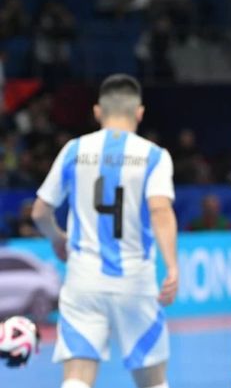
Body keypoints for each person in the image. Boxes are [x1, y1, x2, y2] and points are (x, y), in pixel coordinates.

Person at [31, 74, 178, 388]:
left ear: (97, 112)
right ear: (139, 112)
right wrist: (173, 266)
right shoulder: (154, 156)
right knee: (153, 382)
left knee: (77, 379)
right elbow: (159, 210)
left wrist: (57, 238)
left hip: (83, 280)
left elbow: (40, 211)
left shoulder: (74, 150)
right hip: (135, 283)